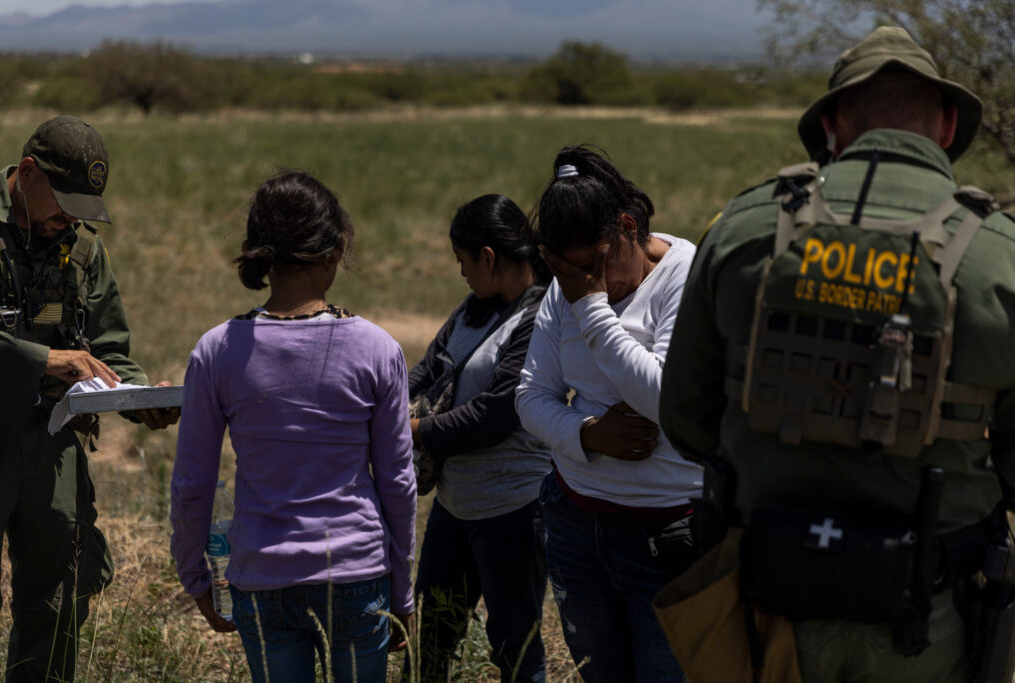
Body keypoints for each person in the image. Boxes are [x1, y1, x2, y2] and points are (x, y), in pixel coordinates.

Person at [658, 26, 1015, 682]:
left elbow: (685, 416)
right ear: (944, 125)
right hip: (931, 613)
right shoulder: (1000, 253)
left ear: (831, 127)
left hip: (766, 604)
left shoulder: (744, 227)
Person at [170, 171, 416, 683]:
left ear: (263, 255)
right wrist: (403, 590)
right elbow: (397, 483)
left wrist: (195, 578)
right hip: (357, 572)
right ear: (335, 250)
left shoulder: (217, 351)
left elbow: (193, 481)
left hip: (262, 577)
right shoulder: (377, 348)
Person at [0, 115, 179, 682]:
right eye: (63, 202)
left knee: (57, 602)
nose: (68, 218)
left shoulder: (83, 250)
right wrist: (43, 361)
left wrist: (139, 395)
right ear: (27, 173)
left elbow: (109, 350)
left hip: (53, 445)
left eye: (82, 206)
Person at [515, 145, 703, 683]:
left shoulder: (686, 277)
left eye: (593, 266)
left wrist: (593, 310)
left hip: (668, 539)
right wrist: (589, 435)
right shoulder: (565, 285)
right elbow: (530, 396)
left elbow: (667, 401)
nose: (581, 284)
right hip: (577, 525)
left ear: (627, 227)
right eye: (565, 272)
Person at [408, 194, 552, 683]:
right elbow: (424, 372)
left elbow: (496, 415)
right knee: (430, 638)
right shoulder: (471, 311)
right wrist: (377, 401)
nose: (462, 274)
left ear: (488, 257)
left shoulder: (541, 319)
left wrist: (414, 430)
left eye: (464, 262)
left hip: (513, 513)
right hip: (455, 509)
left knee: (516, 650)